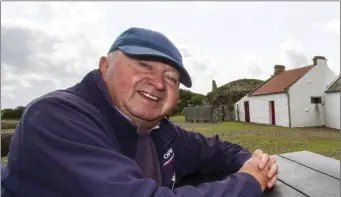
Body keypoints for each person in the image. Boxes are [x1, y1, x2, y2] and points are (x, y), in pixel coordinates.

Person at [1, 27, 278, 197]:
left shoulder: (159, 130)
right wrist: (249, 181)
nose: (158, 83)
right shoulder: (55, 118)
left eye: (171, 78)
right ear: (104, 67)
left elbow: (213, 150)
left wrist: (257, 162)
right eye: (144, 65)